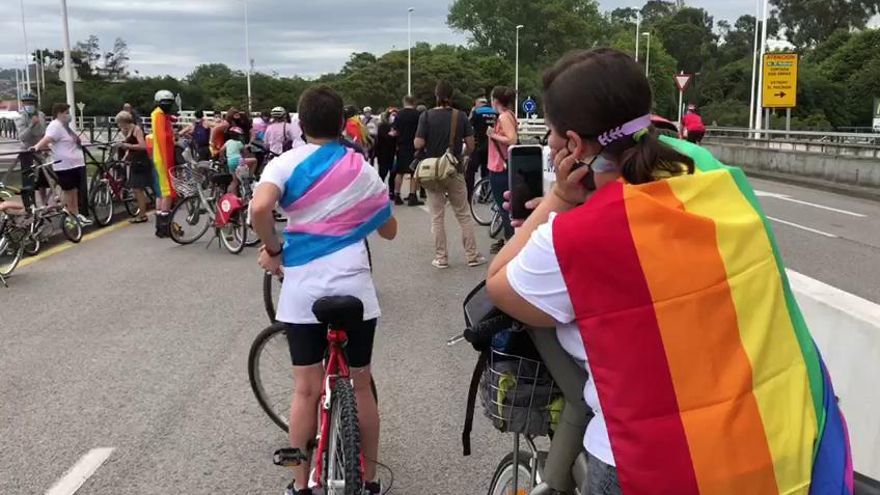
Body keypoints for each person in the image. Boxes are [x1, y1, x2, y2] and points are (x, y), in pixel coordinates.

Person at [485, 48, 852, 495]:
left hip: (653, 467)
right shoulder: (721, 185)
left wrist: (559, 198)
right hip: (773, 442)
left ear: (574, 146)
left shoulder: (574, 237)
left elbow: (499, 285)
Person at [250, 85, 397, 495]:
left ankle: (300, 485)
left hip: (302, 290)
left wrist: (274, 249)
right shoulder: (360, 169)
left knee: (306, 389)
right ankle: (368, 482)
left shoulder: (284, 163)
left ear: (301, 122)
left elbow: (260, 209)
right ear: (341, 124)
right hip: (354, 285)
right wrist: (356, 216)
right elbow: (388, 230)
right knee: (362, 383)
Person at [415, 80, 485, 269]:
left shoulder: (426, 116)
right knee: (463, 214)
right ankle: (471, 255)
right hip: (454, 170)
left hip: (432, 172)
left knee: (437, 216)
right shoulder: (460, 116)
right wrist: (460, 155)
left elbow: (418, 144)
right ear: (451, 96)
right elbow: (470, 145)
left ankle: (441, 257)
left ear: (436, 96)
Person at [30, 103, 92, 226]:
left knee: (73, 192)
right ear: (59, 113)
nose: (68, 115)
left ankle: (76, 214)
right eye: (66, 112)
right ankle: (71, 217)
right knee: (69, 192)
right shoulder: (55, 126)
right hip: (65, 165)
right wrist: (37, 147)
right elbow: (47, 138)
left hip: (74, 164)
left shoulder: (65, 126)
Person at [486, 86, 518, 254]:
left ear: (496, 101)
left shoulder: (504, 117)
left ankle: (509, 242)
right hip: (503, 165)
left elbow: (512, 139)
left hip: (500, 166)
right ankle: (508, 240)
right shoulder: (509, 115)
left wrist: (493, 135)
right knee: (506, 206)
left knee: (503, 206)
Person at [149, 89, 178, 237]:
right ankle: (164, 226)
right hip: (163, 157)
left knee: (161, 193)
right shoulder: (158, 116)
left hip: (160, 157)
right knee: (166, 192)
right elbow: (162, 138)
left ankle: (160, 225)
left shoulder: (161, 115)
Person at [115, 111, 151, 223]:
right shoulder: (128, 130)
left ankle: (143, 215)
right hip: (134, 161)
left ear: (124, 122)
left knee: (137, 189)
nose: (119, 126)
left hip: (140, 161)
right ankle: (142, 213)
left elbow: (142, 145)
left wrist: (126, 145)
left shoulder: (136, 130)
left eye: (119, 123)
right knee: (137, 189)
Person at [13, 92, 46, 208]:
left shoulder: (41, 115)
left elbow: (43, 132)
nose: (29, 105)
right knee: (28, 180)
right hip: (27, 151)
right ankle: (29, 206)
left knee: (43, 178)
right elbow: (22, 136)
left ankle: (44, 203)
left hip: (40, 150)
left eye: (31, 103)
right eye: (26, 103)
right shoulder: (20, 117)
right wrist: (31, 125)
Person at [392, 95, 423, 206]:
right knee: (414, 172)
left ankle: (396, 195)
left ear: (404, 102)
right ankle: (412, 196)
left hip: (401, 146)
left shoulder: (399, 115)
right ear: (414, 103)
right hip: (414, 146)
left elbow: (394, 131)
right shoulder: (418, 115)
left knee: (399, 172)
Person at [467, 96, 496, 201]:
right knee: (486, 171)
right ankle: (484, 195)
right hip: (491, 147)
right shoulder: (495, 113)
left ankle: (469, 195)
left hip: (478, 146)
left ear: (477, 104)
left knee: (470, 170)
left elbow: (468, 126)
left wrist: (472, 113)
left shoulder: (477, 112)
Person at [375, 108, 398, 193]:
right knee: (382, 173)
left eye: (395, 115)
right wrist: (391, 135)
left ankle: (392, 191)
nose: (393, 117)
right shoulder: (382, 126)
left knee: (393, 174)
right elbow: (383, 138)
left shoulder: (396, 127)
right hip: (383, 153)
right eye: (392, 115)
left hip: (393, 153)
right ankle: (379, 191)